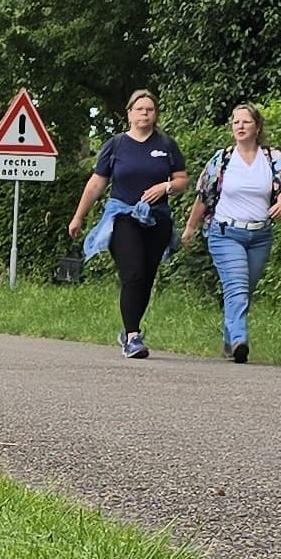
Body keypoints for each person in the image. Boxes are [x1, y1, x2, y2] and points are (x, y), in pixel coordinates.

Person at [66, 90, 189, 358]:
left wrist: (165, 186)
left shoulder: (166, 144)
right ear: (129, 113)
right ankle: (133, 337)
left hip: (157, 219)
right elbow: (97, 182)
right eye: (140, 109)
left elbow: (182, 180)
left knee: (145, 277)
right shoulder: (117, 144)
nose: (145, 113)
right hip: (123, 217)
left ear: (155, 114)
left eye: (150, 109)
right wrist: (79, 216)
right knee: (132, 273)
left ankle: (128, 330)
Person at [188, 102, 281, 363]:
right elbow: (203, 196)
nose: (240, 126)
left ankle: (228, 339)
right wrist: (191, 227)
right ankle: (239, 340)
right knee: (236, 286)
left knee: (244, 289)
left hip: (260, 236)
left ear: (257, 127)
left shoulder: (272, 157)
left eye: (246, 122)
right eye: (236, 122)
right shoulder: (222, 159)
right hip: (225, 233)